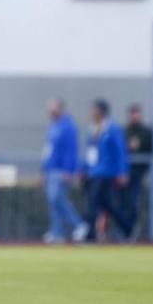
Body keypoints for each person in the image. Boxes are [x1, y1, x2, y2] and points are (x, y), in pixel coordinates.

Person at [82, 99, 133, 241]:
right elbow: (90, 152)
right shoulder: (92, 129)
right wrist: (84, 168)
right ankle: (127, 228)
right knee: (109, 205)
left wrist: (123, 171)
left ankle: (91, 235)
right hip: (94, 172)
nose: (91, 113)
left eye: (94, 110)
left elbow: (121, 152)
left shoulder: (112, 129)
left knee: (92, 202)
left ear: (101, 111)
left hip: (106, 173)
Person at [40, 98, 87, 244]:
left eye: (53, 108)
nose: (50, 110)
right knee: (53, 202)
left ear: (60, 109)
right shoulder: (53, 126)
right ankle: (57, 232)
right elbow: (49, 150)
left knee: (57, 198)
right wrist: (44, 170)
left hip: (61, 170)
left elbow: (71, 150)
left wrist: (68, 170)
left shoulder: (68, 126)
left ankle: (79, 224)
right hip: (51, 170)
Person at [122, 103, 153, 236]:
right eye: (133, 114)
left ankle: (132, 228)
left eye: (137, 114)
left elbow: (150, 149)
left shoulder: (146, 132)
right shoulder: (124, 131)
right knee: (122, 202)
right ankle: (124, 229)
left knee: (134, 201)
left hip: (138, 173)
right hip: (123, 173)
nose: (135, 116)